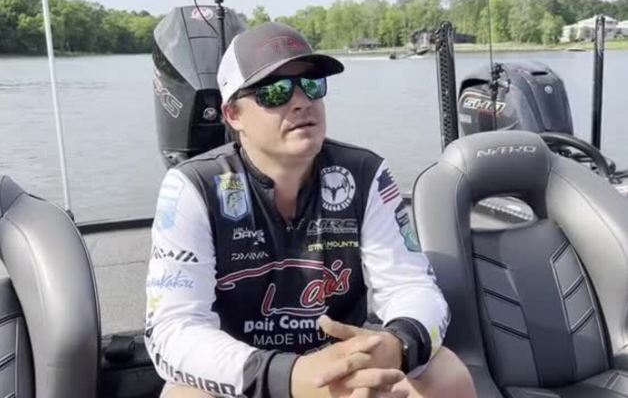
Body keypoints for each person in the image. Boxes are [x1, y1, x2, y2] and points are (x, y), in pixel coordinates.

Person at [145, 22, 476, 398]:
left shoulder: (364, 173)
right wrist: (287, 376)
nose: (301, 101)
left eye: (312, 84)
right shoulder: (193, 187)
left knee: (445, 375)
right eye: (274, 91)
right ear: (233, 114)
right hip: (244, 372)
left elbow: (410, 285)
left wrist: (397, 345)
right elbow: (172, 329)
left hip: (344, 363)